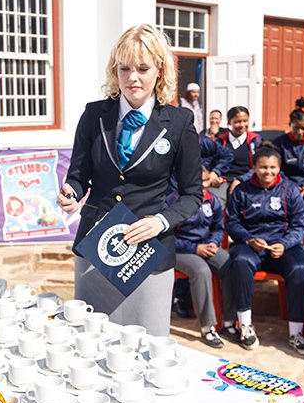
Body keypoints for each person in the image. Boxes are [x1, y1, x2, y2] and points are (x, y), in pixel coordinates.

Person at [57, 24, 202, 336]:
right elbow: (79, 175)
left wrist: (161, 221)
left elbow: (193, 195)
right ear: (115, 70)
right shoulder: (94, 115)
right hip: (96, 247)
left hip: (149, 253)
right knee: (91, 344)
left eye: (143, 68)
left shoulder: (179, 123)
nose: (132, 78)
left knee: (147, 351)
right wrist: (72, 192)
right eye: (124, 69)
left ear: (160, 70)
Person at [223, 142, 304, 355]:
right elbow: (232, 223)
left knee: (300, 269)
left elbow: (300, 225)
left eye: (273, 167)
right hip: (251, 245)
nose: (268, 172)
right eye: (263, 167)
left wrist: (285, 243)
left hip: (282, 245)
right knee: (240, 262)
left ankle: (296, 333)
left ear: (279, 168)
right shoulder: (242, 191)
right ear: (254, 167)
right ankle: (245, 326)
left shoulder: (290, 190)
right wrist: (248, 239)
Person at [172, 166, 229, 348]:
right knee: (201, 271)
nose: (202, 185)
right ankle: (207, 327)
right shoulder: (174, 201)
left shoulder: (212, 200)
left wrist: (214, 242)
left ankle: (231, 321)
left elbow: (219, 228)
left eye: (205, 181)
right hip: (180, 250)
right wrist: (195, 248)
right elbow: (167, 238)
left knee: (231, 264)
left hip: (207, 245)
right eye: (198, 181)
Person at [213, 106, 262, 206]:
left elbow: (258, 166)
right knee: (216, 202)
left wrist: (240, 180)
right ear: (229, 122)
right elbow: (211, 162)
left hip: (247, 180)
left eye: (245, 121)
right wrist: (214, 176)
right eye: (237, 122)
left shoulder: (255, 141)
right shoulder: (220, 141)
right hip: (223, 180)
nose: (242, 125)